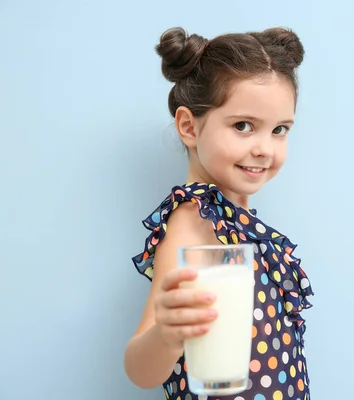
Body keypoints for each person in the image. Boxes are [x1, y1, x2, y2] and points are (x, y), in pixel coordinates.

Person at [123, 26, 314, 400]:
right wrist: (167, 334)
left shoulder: (234, 220)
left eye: (279, 130)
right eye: (243, 126)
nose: (264, 148)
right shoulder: (194, 219)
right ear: (189, 127)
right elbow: (139, 370)